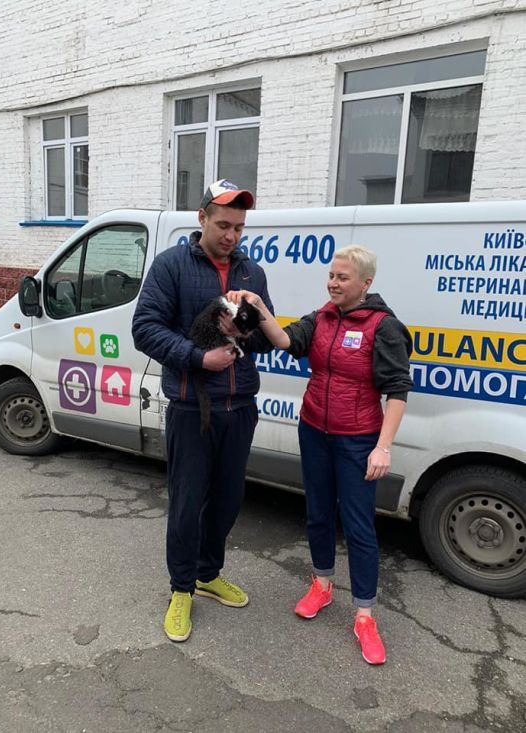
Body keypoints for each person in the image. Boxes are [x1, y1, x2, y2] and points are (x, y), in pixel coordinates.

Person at [226, 245, 413, 665]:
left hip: (357, 439)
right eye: (331, 275)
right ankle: (322, 585)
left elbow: (398, 390)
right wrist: (257, 305)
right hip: (314, 431)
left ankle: (364, 615)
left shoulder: (383, 326)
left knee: (359, 526)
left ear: (365, 283)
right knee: (318, 514)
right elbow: (286, 341)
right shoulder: (322, 317)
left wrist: (383, 447)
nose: (333, 283)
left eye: (342, 278)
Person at [132, 179, 274, 643]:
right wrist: (199, 358)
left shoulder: (252, 273)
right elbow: (145, 328)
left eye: (239, 228)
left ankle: (208, 574)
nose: (231, 235)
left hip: (241, 406)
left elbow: (265, 336)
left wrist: (248, 330)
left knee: (228, 500)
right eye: (223, 225)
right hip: (192, 408)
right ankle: (181, 589)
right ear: (202, 218)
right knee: (187, 504)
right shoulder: (171, 265)